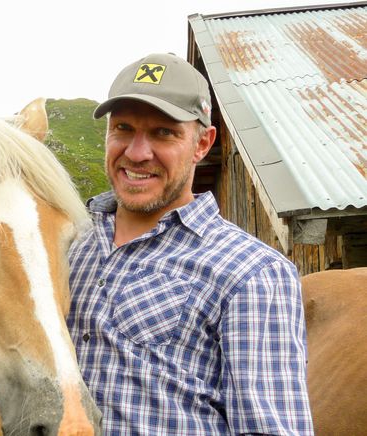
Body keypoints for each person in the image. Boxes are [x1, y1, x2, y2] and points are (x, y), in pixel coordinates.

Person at [66, 53, 313, 434]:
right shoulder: (68, 245)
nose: (136, 152)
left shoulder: (252, 272)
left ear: (202, 143)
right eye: (123, 129)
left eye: (164, 133)